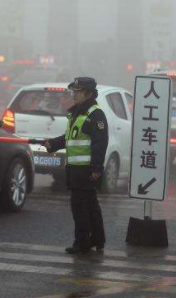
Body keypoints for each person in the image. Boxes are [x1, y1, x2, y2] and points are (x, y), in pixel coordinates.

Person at [44, 77, 109, 254]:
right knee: (89, 206)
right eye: (74, 91)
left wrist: (96, 168)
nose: (74, 94)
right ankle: (97, 240)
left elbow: (100, 143)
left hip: (85, 170)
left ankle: (82, 243)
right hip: (76, 170)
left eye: (78, 92)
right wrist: (52, 144)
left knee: (80, 207)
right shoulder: (77, 113)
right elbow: (70, 138)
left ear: (88, 94)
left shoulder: (94, 114)